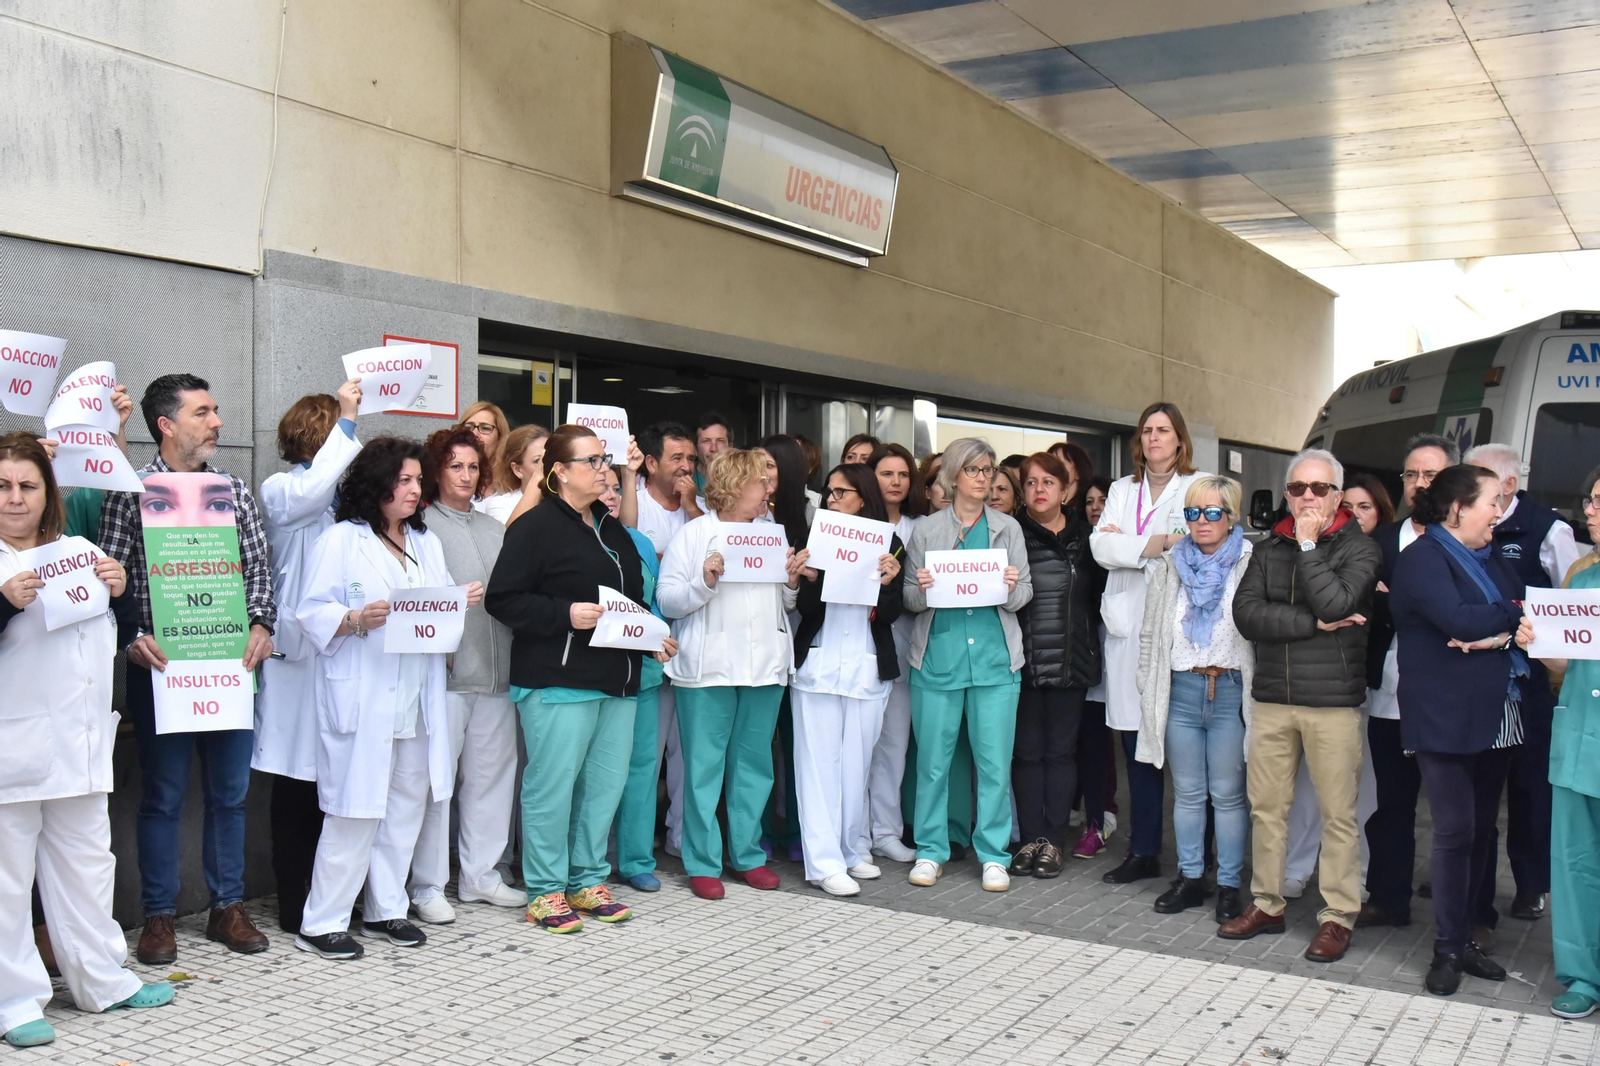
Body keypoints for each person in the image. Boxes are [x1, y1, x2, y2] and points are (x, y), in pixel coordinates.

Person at [0, 434, 173, 1049]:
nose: (15, 497)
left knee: (89, 867)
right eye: (2, 486)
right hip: (12, 753)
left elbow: (114, 633)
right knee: (7, 881)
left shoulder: (76, 551)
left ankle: (103, 980)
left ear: (48, 492)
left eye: (28, 485)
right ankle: (13, 1001)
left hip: (81, 744)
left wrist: (122, 592)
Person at [100, 373, 276, 965]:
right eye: (202, 412)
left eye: (216, 410)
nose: (217, 422)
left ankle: (228, 907)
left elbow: (258, 568)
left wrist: (261, 624)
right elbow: (111, 576)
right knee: (163, 795)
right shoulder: (132, 490)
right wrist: (131, 637)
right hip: (161, 669)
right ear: (166, 425)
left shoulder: (233, 490)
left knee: (231, 794)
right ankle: (158, 915)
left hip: (229, 665)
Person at [293, 438, 474, 959]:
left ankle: (385, 909)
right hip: (364, 692)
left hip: (416, 696)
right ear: (377, 484)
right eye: (405, 480)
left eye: (419, 480)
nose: (416, 490)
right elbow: (309, 612)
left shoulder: (425, 542)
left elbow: (436, 606)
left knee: (405, 807)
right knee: (353, 812)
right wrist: (355, 619)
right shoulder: (340, 541)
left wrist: (457, 602)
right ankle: (321, 921)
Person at [485, 426, 662, 932]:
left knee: (602, 788)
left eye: (604, 459)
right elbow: (503, 599)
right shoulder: (535, 527)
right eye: (592, 461)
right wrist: (564, 614)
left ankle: (587, 880)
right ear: (560, 472)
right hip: (557, 680)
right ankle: (545, 890)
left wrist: (651, 636)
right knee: (553, 787)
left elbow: (631, 600)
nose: (604, 469)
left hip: (617, 678)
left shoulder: (611, 527)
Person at [1221, 449, 1381, 965]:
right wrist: (1313, 624)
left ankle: (1338, 917)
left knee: (1338, 815)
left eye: (1319, 488)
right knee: (1267, 809)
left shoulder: (1361, 548)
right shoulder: (1268, 547)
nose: (1307, 496)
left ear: (1338, 496)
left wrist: (1309, 546)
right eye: (1297, 488)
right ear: (1287, 494)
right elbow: (1246, 614)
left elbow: (1338, 603)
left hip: (1332, 702)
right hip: (1273, 699)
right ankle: (1266, 904)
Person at [1390, 464, 1527, 996]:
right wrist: (1506, 620)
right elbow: (1462, 621)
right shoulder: (1422, 559)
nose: (1499, 512)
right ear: (1458, 508)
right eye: (1492, 502)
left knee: (1480, 830)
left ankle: (1467, 937)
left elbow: (1516, 612)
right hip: (1443, 715)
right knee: (1453, 832)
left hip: (1498, 709)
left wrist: (1500, 628)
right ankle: (1447, 949)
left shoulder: (1490, 557)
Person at [658, 449, 808, 900]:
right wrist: (704, 582)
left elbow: (783, 605)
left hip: (764, 668)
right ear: (736, 485)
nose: (769, 489)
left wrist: (792, 583)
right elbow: (666, 601)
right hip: (708, 669)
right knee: (703, 769)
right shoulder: (694, 534)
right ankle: (702, 862)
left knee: (754, 766)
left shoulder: (771, 533)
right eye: (761, 481)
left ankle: (747, 855)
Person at [255, 381, 363, 935]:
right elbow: (314, 490)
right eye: (336, 436)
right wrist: (348, 420)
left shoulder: (346, 505)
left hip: (345, 654)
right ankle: (293, 897)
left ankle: (333, 895)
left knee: (337, 784)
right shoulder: (282, 490)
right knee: (297, 785)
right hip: (298, 661)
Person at [902, 438, 1032, 892]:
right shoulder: (927, 530)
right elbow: (910, 599)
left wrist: (1012, 586)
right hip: (938, 660)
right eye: (973, 469)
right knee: (932, 764)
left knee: (994, 764)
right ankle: (930, 850)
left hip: (995, 662)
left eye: (988, 470)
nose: (983, 478)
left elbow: (1023, 594)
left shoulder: (1008, 529)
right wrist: (921, 588)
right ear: (953, 476)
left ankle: (994, 855)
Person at [408, 429, 523, 918]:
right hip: (448, 676)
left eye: (473, 466)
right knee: (437, 784)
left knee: (491, 780)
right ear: (436, 470)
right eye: (455, 466)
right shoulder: (420, 527)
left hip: (498, 672)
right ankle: (427, 885)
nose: (466, 475)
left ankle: (481, 876)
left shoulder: (494, 528)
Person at [1465, 442, 1582, 924]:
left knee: (1531, 786)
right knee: (1481, 788)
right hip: (1482, 677)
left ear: (1509, 485)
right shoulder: (1465, 525)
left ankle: (1532, 885)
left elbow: (1573, 600)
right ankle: (1475, 885)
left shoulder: (1549, 529)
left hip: (1533, 680)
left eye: (1479, 475)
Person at [1090, 403, 1204, 884]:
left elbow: (1198, 541)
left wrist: (1132, 542)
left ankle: (1198, 859)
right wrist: (1160, 542)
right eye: (1147, 431)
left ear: (1179, 439)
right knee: (1137, 748)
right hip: (1126, 629)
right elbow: (1100, 547)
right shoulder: (1122, 489)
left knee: (1187, 754)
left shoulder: (1198, 486)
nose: (1154, 437)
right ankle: (1143, 850)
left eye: (1164, 430)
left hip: (1179, 630)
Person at [1135, 475, 1253, 921]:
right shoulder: (1170, 565)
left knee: (1227, 794)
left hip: (1229, 689)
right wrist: (1147, 685)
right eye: (1192, 512)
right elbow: (1150, 633)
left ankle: (1228, 885)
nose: (1201, 521)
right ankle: (1190, 877)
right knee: (1187, 793)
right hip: (1181, 689)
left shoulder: (1249, 562)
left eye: (1212, 512)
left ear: (1232, 516)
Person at [1359, 434, 1456, 931]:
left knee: (1455, 811)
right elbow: (1361, 603)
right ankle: (1388, 898)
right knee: (1392, 803)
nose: (1420, 483)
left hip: (1446, 697)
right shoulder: (1380, 541)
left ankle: (1463, 912)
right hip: (1388, 693)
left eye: (1431, 475)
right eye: (1412, 474)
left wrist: (1393, 597)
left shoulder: (1463, 542)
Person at [791, 463, 903, 896]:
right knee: (818, 766)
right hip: (819, 664)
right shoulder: (815, 539)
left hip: (867, 665)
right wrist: (810, 580)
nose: (833, 499)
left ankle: (850, 849)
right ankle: (823, 863)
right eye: (830, 492)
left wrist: (889, 584)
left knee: (857, 765)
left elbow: (890, 615)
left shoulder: (891, 544)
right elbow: (807, 610)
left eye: (842, 492)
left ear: (864, 496)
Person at [1516, 464, 1600, 1019]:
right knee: (1575, 864)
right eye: (1590, 499)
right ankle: (1583, 977)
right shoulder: (1582, 576)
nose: (1590, 510)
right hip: (1578, 738)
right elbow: (1565, 666)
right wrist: (1537, 643)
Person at [1009, 452, 1099, 879]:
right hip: (1022, 660)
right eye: (1031, 482)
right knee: (1027, 754)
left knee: (1061, 754)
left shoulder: (1089, 539)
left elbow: (1099, 600)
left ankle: (1054, 843)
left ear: (1065, 490)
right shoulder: (1011, 535)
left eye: (1048, 482)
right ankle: (1030, 839)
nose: (1039, 489)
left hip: (1071, 658)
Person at [604, 464, 679, 893]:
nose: (611, 495)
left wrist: (660, 636)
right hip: (597, 675)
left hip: (644, 673)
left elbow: (654, 605)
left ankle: (635, 860)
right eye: (604, 486)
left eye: (618, 488)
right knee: (596, 772)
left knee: (641, 769)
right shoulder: (576, 538)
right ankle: (590, 860)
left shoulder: (641, 543)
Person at [866, 444, 924, 863]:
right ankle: (853, 834)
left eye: (903, 474)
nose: (896, 482)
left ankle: (885, 831)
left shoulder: (922, 527)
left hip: (903, 648)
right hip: (857, 646)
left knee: (892, 745)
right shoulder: (854, 525)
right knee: (856, 749)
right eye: (886, 473)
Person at [634, 421, 701, 558]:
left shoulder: (704, 507)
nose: (687, 467)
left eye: (691, 459)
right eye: (677, 458)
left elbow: (715, 550)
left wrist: (692, 507)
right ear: (652, 464)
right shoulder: (633, 506)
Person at [477, 423, 548, 525]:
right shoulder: (500, 505)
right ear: (518, 470)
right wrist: (538, 477)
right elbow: (514, 533)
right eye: (538, 461)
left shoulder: (565, 497)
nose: (548, 465)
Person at [456, 401, 511, 497]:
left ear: (500, 437)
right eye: (468, 428)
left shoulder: (512, 483)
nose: (475, 434)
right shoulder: (450, 481)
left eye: (485, 428)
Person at [1048, 441, 1095, 516]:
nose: (1052, 469)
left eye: (1060, 464)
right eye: (1049, 465)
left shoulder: (1086, 510)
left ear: (1078, 472)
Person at [693, 412, 732, 494]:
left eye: (720, 441)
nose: (713, 448)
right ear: (695, 449)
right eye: (706, 441)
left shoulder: (741, 483)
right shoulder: (687, 481)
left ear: (730, 447)